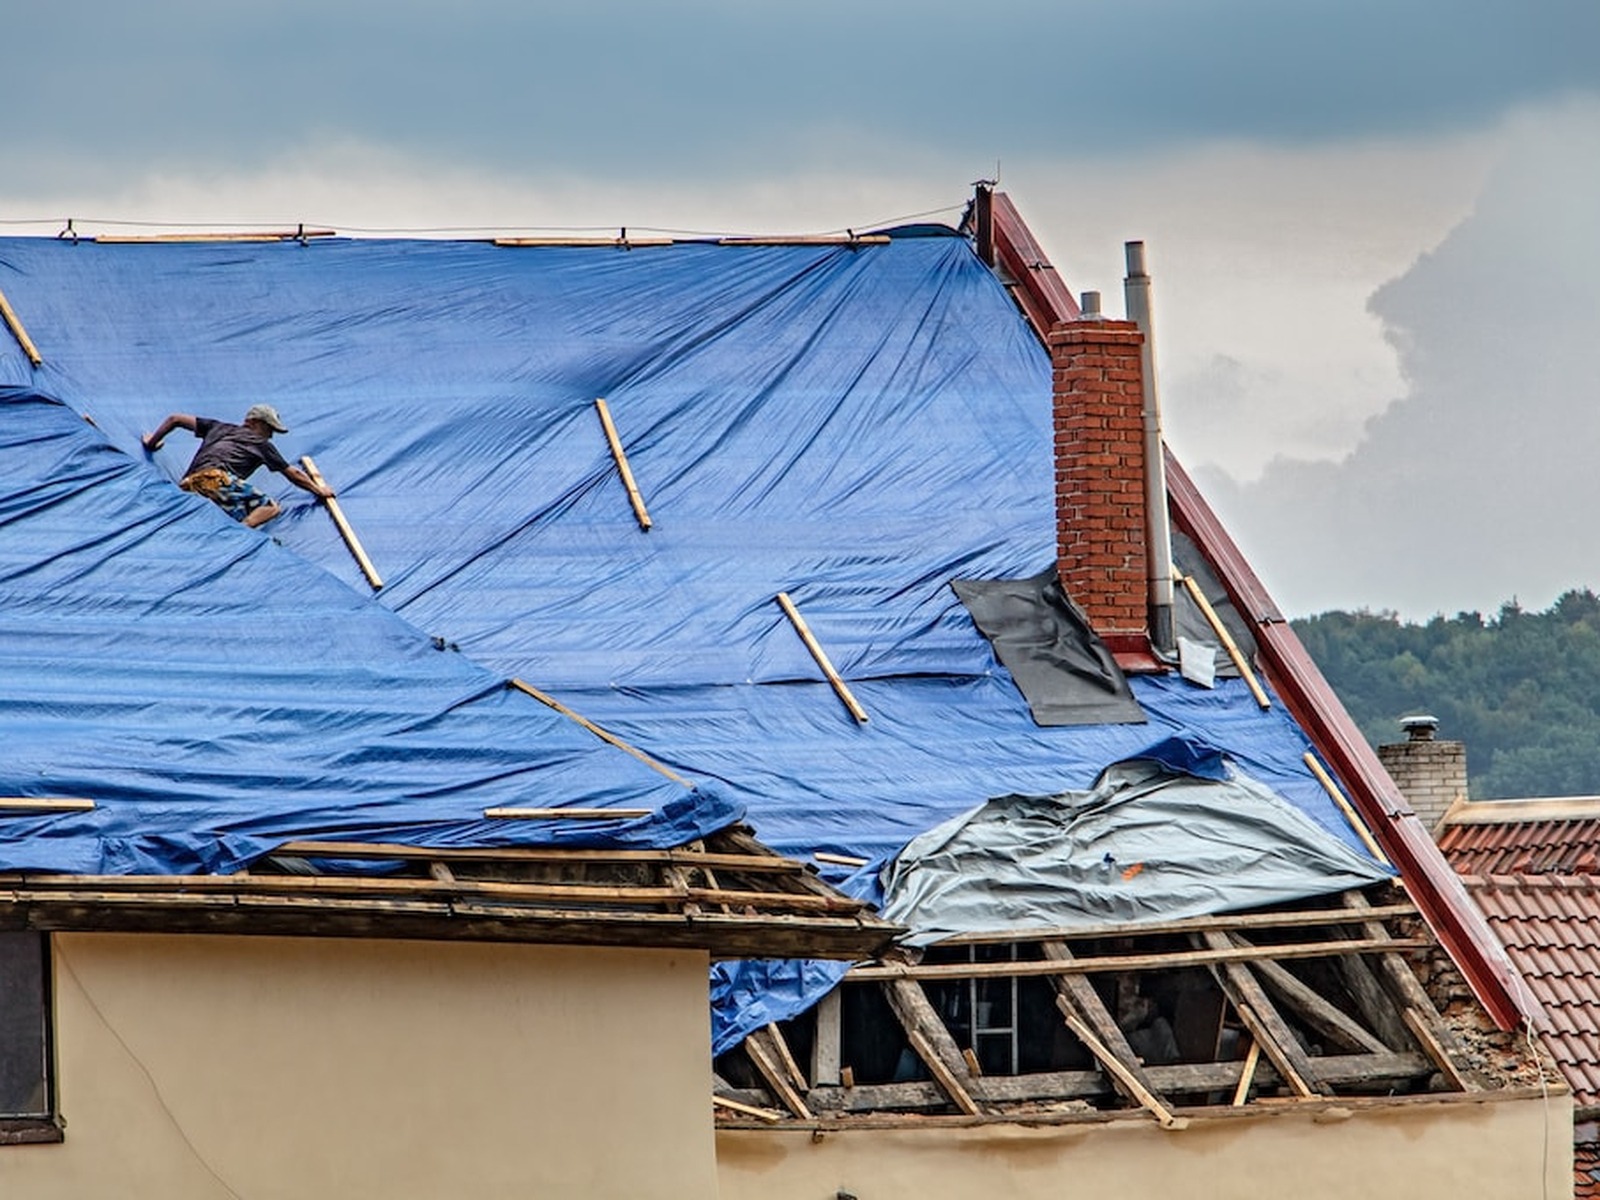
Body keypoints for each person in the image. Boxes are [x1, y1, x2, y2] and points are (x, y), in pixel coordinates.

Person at [142, 404, 334, 528]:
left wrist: (152, 442)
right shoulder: (259, 443)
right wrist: (319, 490)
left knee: (229, 513)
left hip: (188, 486)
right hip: (215, 479)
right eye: (269, 429)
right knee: (270, 508)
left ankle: (235, 527)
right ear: (253, 422)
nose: (270, 435)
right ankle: (241, 535)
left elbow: (175, 419)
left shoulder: (218, 427)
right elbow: (292, 473)